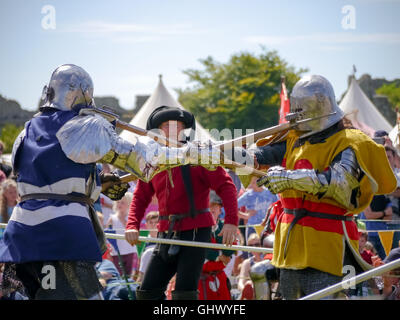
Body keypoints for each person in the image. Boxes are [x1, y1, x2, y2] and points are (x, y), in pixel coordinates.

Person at [0, 64, 217, 300]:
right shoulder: (83, 126)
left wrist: (97, 183)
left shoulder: (25, 132)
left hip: (23, 235)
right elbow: (145, 159)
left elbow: (45, 182)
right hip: (62, 234)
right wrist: (194, 152)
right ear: (83, 93)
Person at [246, 75, 397, 299]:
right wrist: (230, 155)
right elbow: (262, 155)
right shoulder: (294, 139)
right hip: (291, 243)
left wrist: (288, 179)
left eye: (303, 109)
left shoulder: (350, 141)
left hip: (327, 242)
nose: (298, 116)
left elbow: (338, 181)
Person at [125, 106, 239, 300]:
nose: (170, 130)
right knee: (147, 293)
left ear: (182, 129)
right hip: (165, 231)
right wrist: (132, 224)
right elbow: (140, 196)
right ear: (158, 131)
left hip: (196, 232)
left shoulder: (199, 156)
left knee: (184, 294)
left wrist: (231, 221)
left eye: (175, 125)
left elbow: (226, 186)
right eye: (165, 126)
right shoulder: (153, 160)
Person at [198, 191, 235, 300]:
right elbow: (203, 250)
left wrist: (221, 255)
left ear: (220, 209)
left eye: (214, 205)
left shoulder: (225, 227)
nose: (211, 208)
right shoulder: (197, 227)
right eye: (208, 206)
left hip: (219, 276)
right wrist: (219, 256)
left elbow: (229, 251)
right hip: (200, 278)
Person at [105, 192, 137, 278]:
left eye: (122, 202)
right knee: (118, 274)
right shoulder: (112, 218)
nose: (119, 204)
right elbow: (107, 236)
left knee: (128, 275)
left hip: (130, 250)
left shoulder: (131, 218)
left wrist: (124, 220)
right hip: (116, 252)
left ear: (129, 204)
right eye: (118, 202)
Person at [238, 176, 277, 243]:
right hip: (253, 227)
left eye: (258, 181)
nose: (256, 184)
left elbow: (278, 205)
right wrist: (245, 216)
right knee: (252, 251)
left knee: (267, 250)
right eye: (253, 182)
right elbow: (233, 207)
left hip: (268, 227)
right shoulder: (248, 195)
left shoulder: (270, 193)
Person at [237, 233, 263, 300]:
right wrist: (246, 291)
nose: (254, 247)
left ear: (261, 245)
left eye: (257, 244)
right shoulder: (247, 263)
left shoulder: (267, 261)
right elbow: (240, 282)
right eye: (251, 245)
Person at [137, 211, 159, 284]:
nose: (154, 225)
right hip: (146, 274)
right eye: (151, 222)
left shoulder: (167, 240)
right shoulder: (142, 241)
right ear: (146, 225)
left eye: (156, 222)